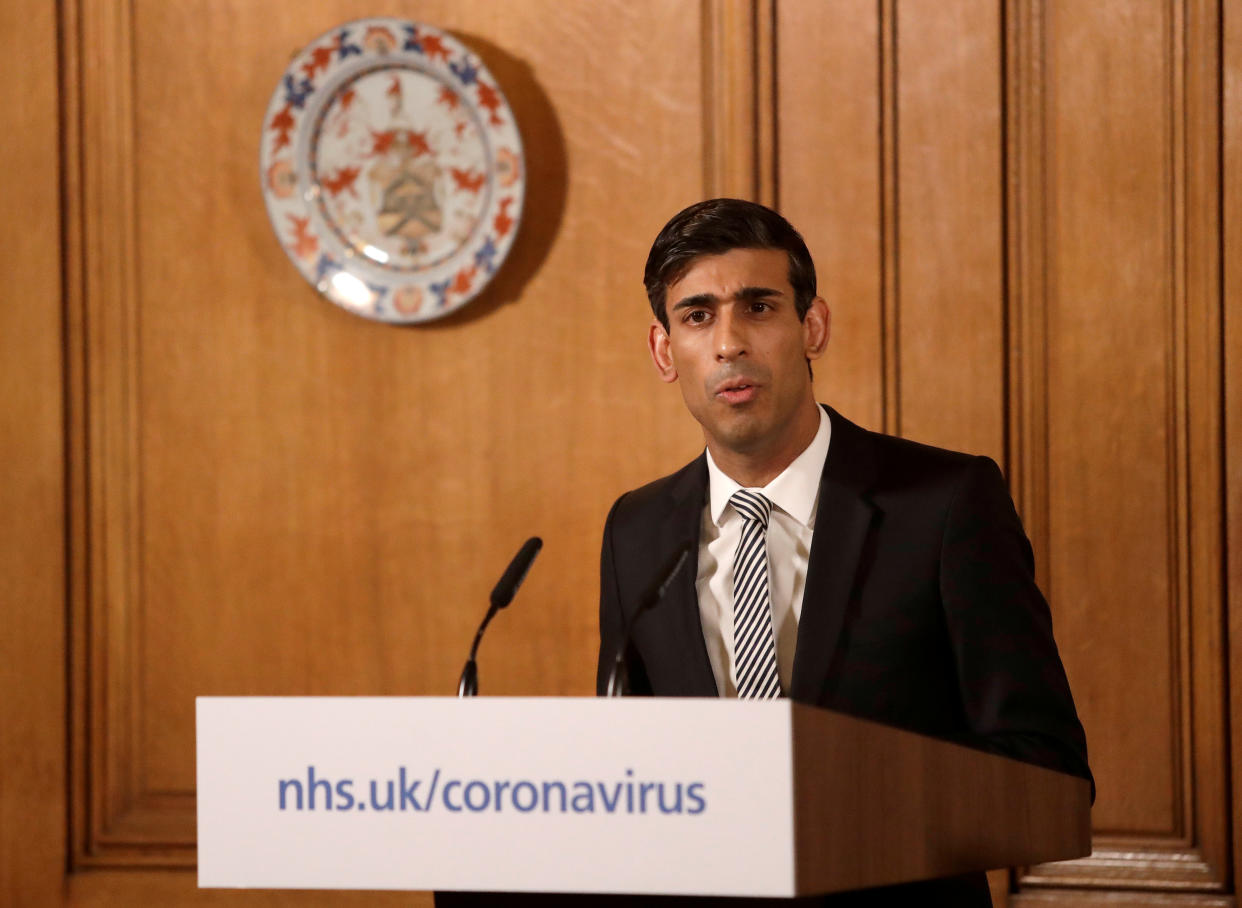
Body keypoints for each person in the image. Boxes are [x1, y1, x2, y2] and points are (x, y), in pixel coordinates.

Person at [595, 198, 1092, 907]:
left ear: (813, 327)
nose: (729, 342)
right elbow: (627, 770)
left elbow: (1048, 774)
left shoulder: (945, 504)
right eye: (698, 315)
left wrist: (838, 797)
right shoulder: (636, 530)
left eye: (759, 308)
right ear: (663, 350)